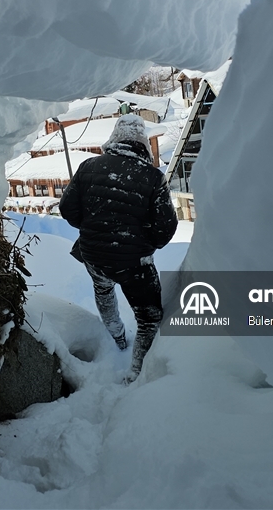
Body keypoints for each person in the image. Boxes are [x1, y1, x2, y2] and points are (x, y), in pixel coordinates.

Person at [59, 114, 178, 382]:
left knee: (103, 290)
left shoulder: (88, 167)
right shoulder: (153, 177)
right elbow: (165, 230)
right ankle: (137, 371)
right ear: (143, 144)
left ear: (114, 138)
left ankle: (117, 337)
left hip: (93, 254)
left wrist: (93, 229)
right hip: (134, 262)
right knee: (149, 316)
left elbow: (67, 209)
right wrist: (142, 244)